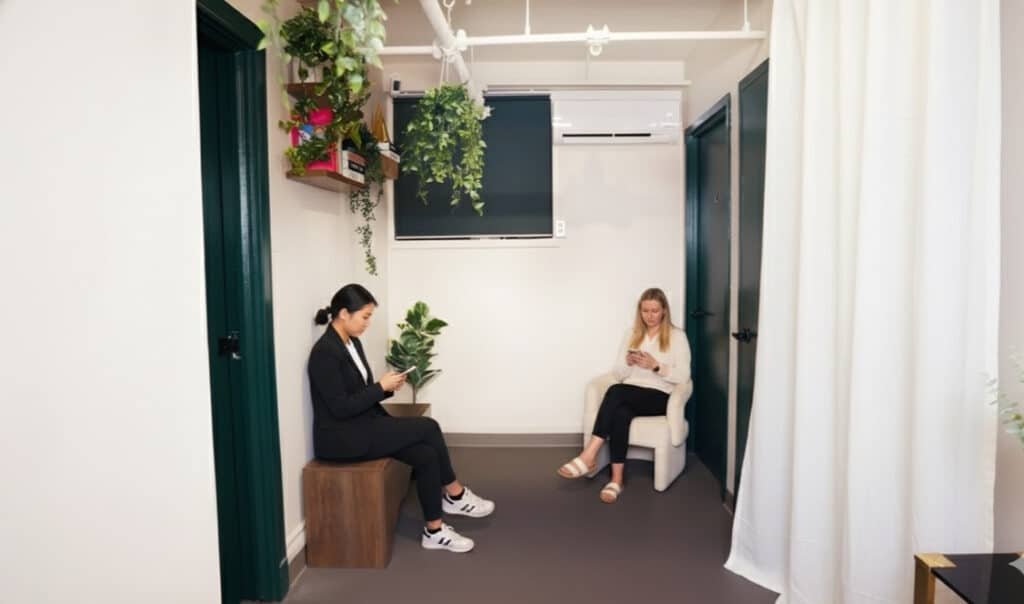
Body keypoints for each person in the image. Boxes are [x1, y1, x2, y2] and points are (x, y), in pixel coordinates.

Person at [308, 283, 494, 553]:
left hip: (362, 424)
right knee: (428, 426)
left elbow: (360, 393)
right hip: (341, 438)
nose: (367, 323)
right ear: (344, 313)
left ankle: (434, 530)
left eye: (369, 316)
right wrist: (379, 387)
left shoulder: (351, 343)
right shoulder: (325, 352)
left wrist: (386, 388)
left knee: (426, 455)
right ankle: (455, 494)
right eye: (365, 316)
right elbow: (339, 408)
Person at [556, 287, 692, 503]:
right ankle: (616, 480)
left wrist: (656, 366)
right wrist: (627, 363)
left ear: (664, 311)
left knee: (616, 392)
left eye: (654, 311)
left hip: (659, 397)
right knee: (620, 413)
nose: (649, 316)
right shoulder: (632, 334)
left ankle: (588, 455)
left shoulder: (677, 336)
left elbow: (684, 376)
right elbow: (618, 373)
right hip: (630, 393)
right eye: (645, 311)